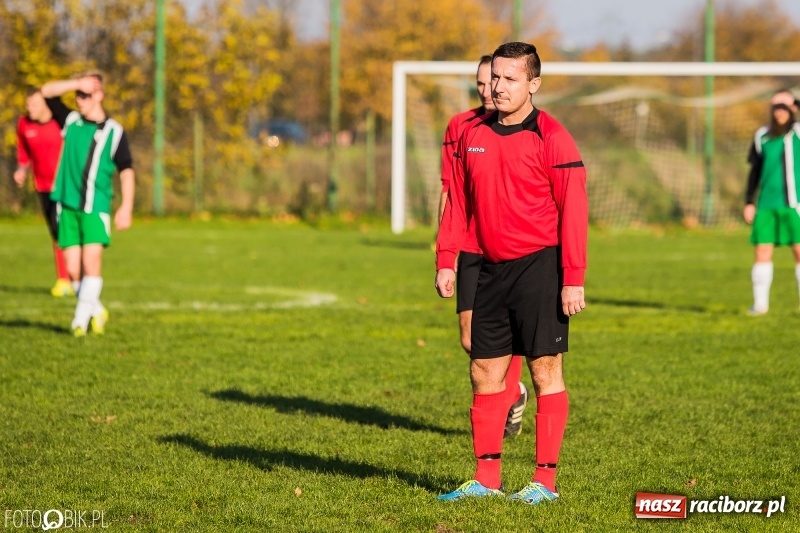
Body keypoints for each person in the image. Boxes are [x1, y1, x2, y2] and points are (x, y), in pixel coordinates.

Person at [434, 42, 588, 505]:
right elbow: (458, 202)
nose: (498, 87)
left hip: (540, 267)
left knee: (545, 370)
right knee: (484, 370)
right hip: (489, 268)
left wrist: (573, 277)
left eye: (510, 79)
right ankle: (486, 479)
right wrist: (446, 258)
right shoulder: (470, 133)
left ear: (533, 84)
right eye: (495, 77)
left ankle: (545, 483)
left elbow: (574, 210)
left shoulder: (553, 137)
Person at [438, 55, 529, 439]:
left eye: (491, 80)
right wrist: (444, 249)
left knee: (506, 336)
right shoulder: (460, 126)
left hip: (509, 248)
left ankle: (505, 402)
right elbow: (450, 190)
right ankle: (515, 391)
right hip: (470, 245)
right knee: (468, 337)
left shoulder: (524, 128)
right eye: (480, 82)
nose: (487, 88)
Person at [41, 71, 135, 336]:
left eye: (85, 94)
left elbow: (127, 170)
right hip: (67, 206)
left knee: (91, 264)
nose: (79, 99)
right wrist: (75, 83)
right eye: (78, 94)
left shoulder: (114, 131)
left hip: (96, 206)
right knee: (72, 271)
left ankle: (79, 323)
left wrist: (126, 206)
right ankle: (97, 310)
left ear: (99, 95)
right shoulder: (71, 121)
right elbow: (46, 91)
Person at [743, 89, 800, 315]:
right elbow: (755, 171)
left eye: (784, 107)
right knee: (762, 251)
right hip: (767, 204)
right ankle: (760, 306)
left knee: (799, 251)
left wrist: (793, 100)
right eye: (776, 107)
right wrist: (749, 201)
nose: (780, 111)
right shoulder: (762, 136)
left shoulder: (797, 133)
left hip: (795, 204)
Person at [14, 86, 73, 297]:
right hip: (42, 186)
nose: (30, 108)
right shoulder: (24, 123)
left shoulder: (61, 123)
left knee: (63, 230)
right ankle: (68, 277)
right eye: (28, 104)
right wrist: (21, 169)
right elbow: (23, 150)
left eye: (35, 104)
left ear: (46, 104)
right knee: (56, 233)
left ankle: (67, 279)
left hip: (65, 187)